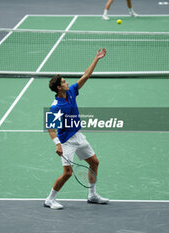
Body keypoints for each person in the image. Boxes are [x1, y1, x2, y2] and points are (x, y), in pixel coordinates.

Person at [44, 48, 109, 210]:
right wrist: (57, 144)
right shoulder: (56, 107)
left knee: (94, 162)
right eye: (64, 82)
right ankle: (49, 199)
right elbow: (50, 127)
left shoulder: (71, 92)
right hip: (66, 142)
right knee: (67, 173)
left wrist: (96, 59)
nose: (67, 83)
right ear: (59, 88)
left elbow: (85, 76)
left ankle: (92, 195)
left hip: (78, 136)